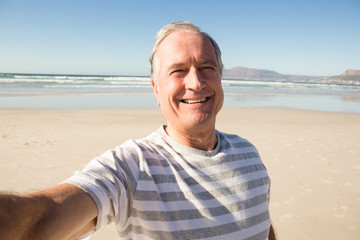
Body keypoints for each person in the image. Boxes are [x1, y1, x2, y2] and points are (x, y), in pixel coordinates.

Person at [0, 21, 276, 240]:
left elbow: (263, 225)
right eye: (178, 70)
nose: (195, 82)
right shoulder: (131, 166)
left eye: (207, 67)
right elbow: (40, 221)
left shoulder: (247, 152)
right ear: (156, 89)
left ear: (220, 77)